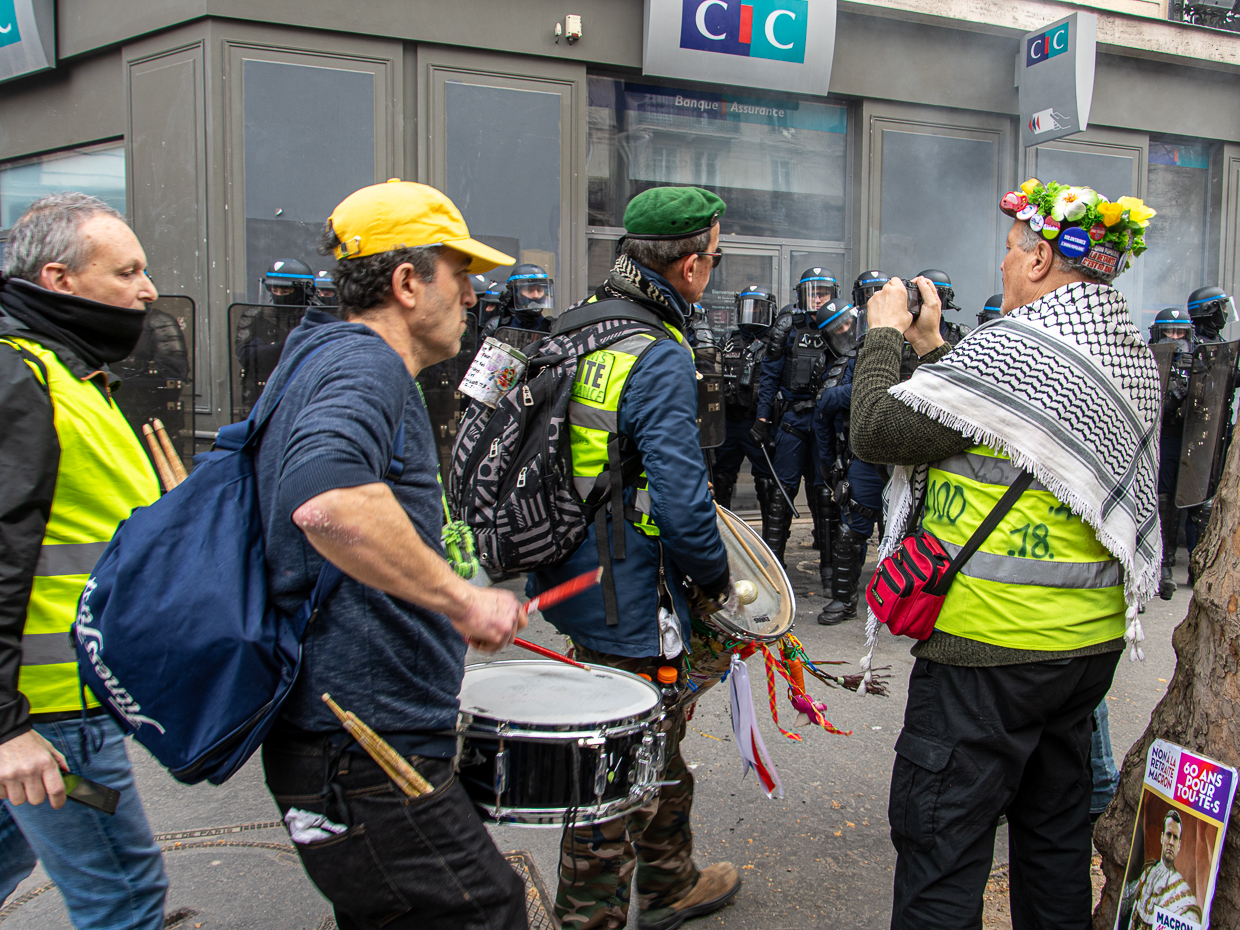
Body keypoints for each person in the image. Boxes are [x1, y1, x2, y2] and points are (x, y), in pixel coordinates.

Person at [852, 178, 1161, 928]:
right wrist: (937, 351)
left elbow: (876, 430)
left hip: (990, 649)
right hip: (1082, 654)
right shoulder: (1125, 355)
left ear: (1039, 261)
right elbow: (1015, 425)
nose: (1003, 265)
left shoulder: (1019, 352)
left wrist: (886, 336)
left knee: (941, 848)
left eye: (1011, 253)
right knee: (1053, 844)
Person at [255, 180, 528, 930]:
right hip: (362, 740)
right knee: (483, 909)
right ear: (409, 282)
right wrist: (461, 598)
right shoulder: (364, 365)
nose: (473, 297)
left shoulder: (316, 355)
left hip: (346, 734)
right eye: (461, 275)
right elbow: (329, 501)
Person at [529, 186, 742, 930]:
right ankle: (588, 918)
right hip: (632, 599)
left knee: (657, 740)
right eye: (714, 257)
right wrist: (716, 585)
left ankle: (669, 881)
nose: (713, 269)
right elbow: (682, 506)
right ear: (687, 267)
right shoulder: (654, 353)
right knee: (616, 768)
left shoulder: (578, 324)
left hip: (570, 577)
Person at [0, 192, 169, 928]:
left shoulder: (68, 372)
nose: (148, 289)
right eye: (127, 271)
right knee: (125, 900)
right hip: (49, 713)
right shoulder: (22, 377)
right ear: (61, 279)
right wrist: (7, 728)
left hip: (60, 700)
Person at [750, 268, 838, 564]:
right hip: (793, 421)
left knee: (825, 492)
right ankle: (774, 563)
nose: (817, 298)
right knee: (781, 492)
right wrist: (762, 420)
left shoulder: (841, 326)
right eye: (812, 292)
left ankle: (829, 566)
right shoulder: (786, 327)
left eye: (823, 292)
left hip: (826, 422)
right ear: (800, 295)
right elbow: (769, 378)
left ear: (832, 294)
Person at [812, 298, 885, 626]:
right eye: (836, 328)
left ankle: (906, 602)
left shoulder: (901, 347)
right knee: (851, 531)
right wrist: (828, 464)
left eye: (846, 323)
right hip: (866, 457)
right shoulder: (844, 362)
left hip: (908, 458)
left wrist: (845, 395)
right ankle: (844, 601)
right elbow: (824, 410)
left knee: (910, 533)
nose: (844, 331)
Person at [713, 286, 775, 511]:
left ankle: (769, 542)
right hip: (728, 422)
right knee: (721, 476)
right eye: (748, 307)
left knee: (767, 480)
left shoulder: (773, 343)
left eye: (758, 309)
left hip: (756, 422)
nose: (752, 313)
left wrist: (764, 420)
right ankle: (724, 532)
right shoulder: (728, 339)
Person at [1149, 306, 1197, 599]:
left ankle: (1168, 566)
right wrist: (1174, 395)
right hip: (1160, 438)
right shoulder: (1146, 360)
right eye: (1170, 332)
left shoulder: (1196, 359)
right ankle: (1158, 567)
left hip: (1187, 438)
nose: (1176, 338)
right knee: (1161, 498)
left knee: (1182, 500)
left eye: (1181, 332)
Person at [235, 257, 317, 415]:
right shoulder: (256, 316)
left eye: (286, 291)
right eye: (275, 290)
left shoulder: (316, 317)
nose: (279, 295)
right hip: (262, 395)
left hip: (305, 395)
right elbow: (247, 355)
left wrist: (271, 347)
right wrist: (290, 345)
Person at [1120, 809, 1201, 929]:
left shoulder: (1184, 894)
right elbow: (1125, 901)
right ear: (1162, 838)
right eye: (1169, 835)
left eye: (1175, 838)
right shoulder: (1149, 872)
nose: (1171, 842)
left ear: (1179, 845)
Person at [482, 263, 555, 342]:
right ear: (514, 293)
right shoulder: (497, 327)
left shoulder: (554, 328)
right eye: (529, 290)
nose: (536, 295)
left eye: (540, 290)